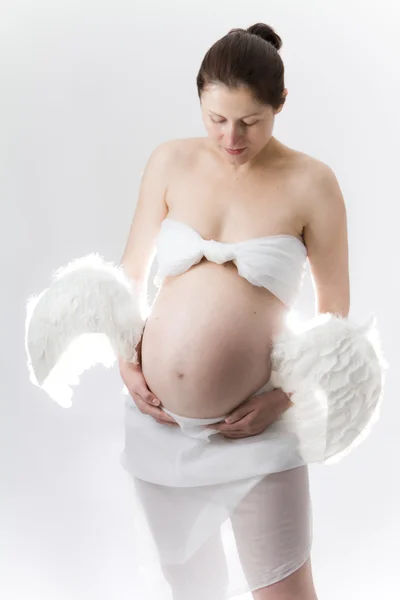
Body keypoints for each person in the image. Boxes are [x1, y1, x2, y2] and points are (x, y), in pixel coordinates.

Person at [117, 22, 345, 600]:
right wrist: (125, 361)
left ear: (281, 104)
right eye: (216, 118)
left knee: (285, 591)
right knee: (192, 589)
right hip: (159, 429)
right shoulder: (169, 161)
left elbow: (334, 315)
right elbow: (129, 275)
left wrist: (284, 398)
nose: (232, 138)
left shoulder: (313, 183)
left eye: (251, 121)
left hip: (256, 432)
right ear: (199, 98)